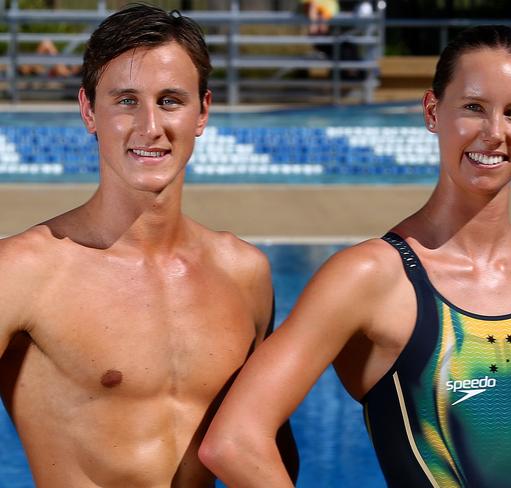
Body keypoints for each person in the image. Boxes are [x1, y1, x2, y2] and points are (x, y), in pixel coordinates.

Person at [198, 25, 511, 487]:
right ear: (433, 111)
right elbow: (234, 441)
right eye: (473, 108)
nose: (494, 133)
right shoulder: (370, 278)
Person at [0, 4, 296, 487]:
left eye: (171, 100)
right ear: (88, 111)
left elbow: (269, 450)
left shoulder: (245, 273)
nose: (150, 126)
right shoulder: (23, 272)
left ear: (202, 112)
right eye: (126, 100)